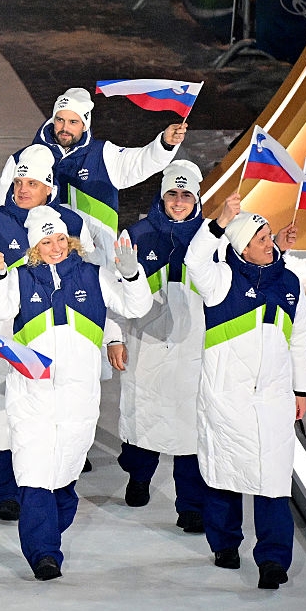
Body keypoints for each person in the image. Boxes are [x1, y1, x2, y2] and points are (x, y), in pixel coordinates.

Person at [0, 206, 152, 580]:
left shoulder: (94, 275)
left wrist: (131, 273)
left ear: (71, 241)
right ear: (34, 246)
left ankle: (49, 534)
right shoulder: (18, 278)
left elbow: (136, 305)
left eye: (60, 239)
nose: (55, 247)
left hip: (78, 398)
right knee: (33, 474)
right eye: (46, 241)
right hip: (31, 396)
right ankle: (44, 554)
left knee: (64, 478)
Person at [0, 145, 93, 522]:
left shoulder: (70, 225)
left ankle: (49, 486)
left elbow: (91, 273)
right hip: (1, 336)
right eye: (18, 182)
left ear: (50, 189)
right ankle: (7, 489)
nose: (22, 189)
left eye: (32, 184)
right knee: (0, 405)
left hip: (53, 335)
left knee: (47, 409)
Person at [184, 192, 306, 590]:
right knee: (225, 475)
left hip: (274, 400)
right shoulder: (221, 281)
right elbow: (194, 260)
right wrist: (221, 221)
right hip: (227, 399)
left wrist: (301, 389)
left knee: (274, 482)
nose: (270, 242)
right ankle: (225, 544)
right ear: (241, 247)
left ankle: (273, 560)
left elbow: (300, 339)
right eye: (260, 238)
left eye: (269, 236)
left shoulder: (289, 282)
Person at [104, 160, 208, 532]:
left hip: (193, 348)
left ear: (196, 198)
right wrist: (114, 337)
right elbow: (116, 294)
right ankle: (139, 475)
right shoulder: (137, 234)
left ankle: (191, 506)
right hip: (145, 345)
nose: (178, 202)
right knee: (143, 420)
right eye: (172, 194)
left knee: (190, 430)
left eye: (185, 195)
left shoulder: (212, 240)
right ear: (161, 196)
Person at [0, 87, 187, 268]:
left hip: (94, 266)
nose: (64, 128)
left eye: (73, 122)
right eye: (60, 120)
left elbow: (144, 161)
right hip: (39, 265)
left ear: (85, 125)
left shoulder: (104, 155)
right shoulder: (23, 159)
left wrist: (165, 143)